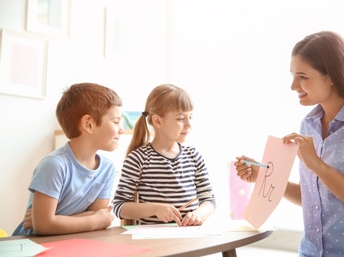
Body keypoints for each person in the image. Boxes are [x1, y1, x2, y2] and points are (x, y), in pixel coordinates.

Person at [235, 31, 344, 256]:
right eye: (292, 75)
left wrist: (317, 165)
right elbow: (315, 199)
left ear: (333, 76)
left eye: (302, 76)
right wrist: (265, 177)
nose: (293, 86)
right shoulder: (309, 124)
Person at [13, 83, 124, 236]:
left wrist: (54, 221)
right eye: (116, 121)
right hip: (32, 245)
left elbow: (102, 216)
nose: (121, 129)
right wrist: (93, 220)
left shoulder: (107, 169)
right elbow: (44, 226)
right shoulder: (54, 165)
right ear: (89, 124)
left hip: (70, 242)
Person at [113, 84, 216, 226]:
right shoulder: (138, 159)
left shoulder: (194, 156)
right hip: (153, 241)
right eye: (180, 118)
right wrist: (156, 209)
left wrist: (198, 215)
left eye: (190, 117)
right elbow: (120, 206)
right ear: (157, 121)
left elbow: (209, 200)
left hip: (189, 235)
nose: (189, 124)